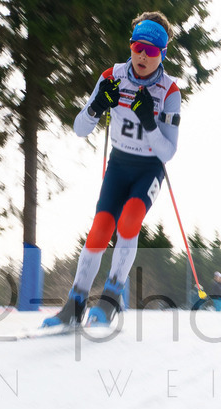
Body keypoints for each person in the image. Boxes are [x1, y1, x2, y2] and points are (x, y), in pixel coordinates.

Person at [45, 11, 182, 327]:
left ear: (162, 54)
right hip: (119, 164)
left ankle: (111, 298)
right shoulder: (112, 76)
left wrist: (149, 122)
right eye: (138, 47)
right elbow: (80, 128)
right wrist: (96, 108)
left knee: (129, 221)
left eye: (151, 51)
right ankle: (75, 303)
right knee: (100, 229)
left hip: (149, 168)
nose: (143, 56)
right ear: (131, 45)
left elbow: (168, 152)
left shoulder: (169, 91)